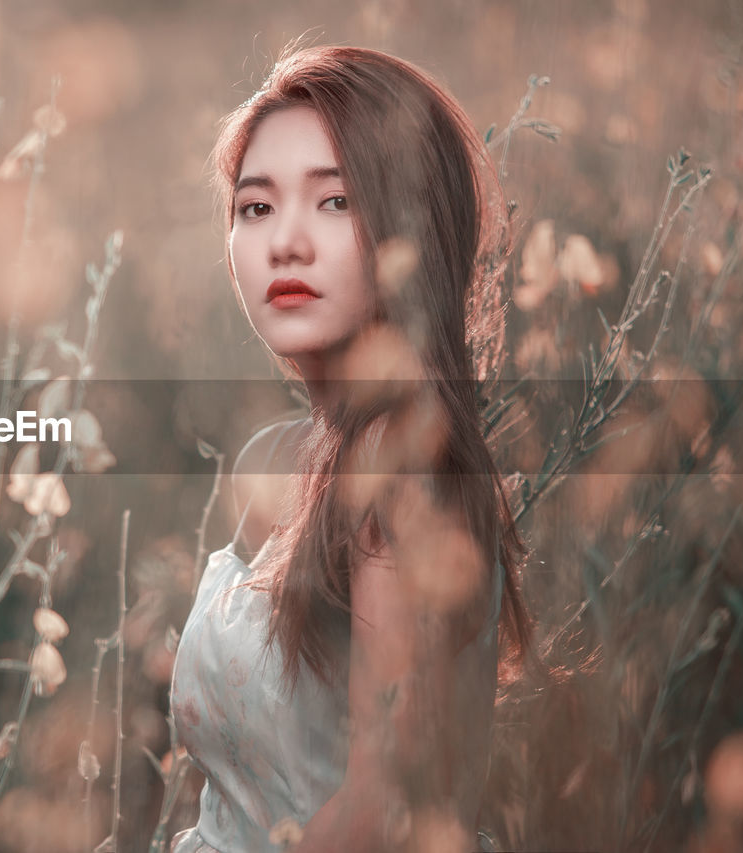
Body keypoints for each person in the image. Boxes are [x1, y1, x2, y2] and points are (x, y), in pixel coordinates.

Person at [168, 43, 542, 852]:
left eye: (334, 202)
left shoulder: (401, 462)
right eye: (256, 207)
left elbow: (383, 813)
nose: (286, 243)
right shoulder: (292, 456)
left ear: (412, 226)